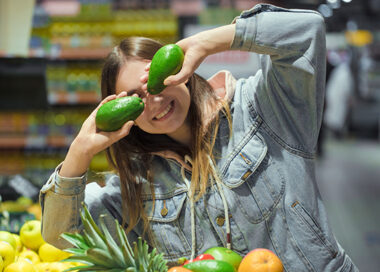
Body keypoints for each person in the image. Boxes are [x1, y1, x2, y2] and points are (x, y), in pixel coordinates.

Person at [40, 4, 358, 271]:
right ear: (126, 115)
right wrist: (79, 151)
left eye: (155, 79)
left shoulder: (262, 108)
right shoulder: (135, 188)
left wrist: (207, 42)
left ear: (181, 66)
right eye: (134, 98)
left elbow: (307, 32)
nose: (153, 99)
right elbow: (62, 237)